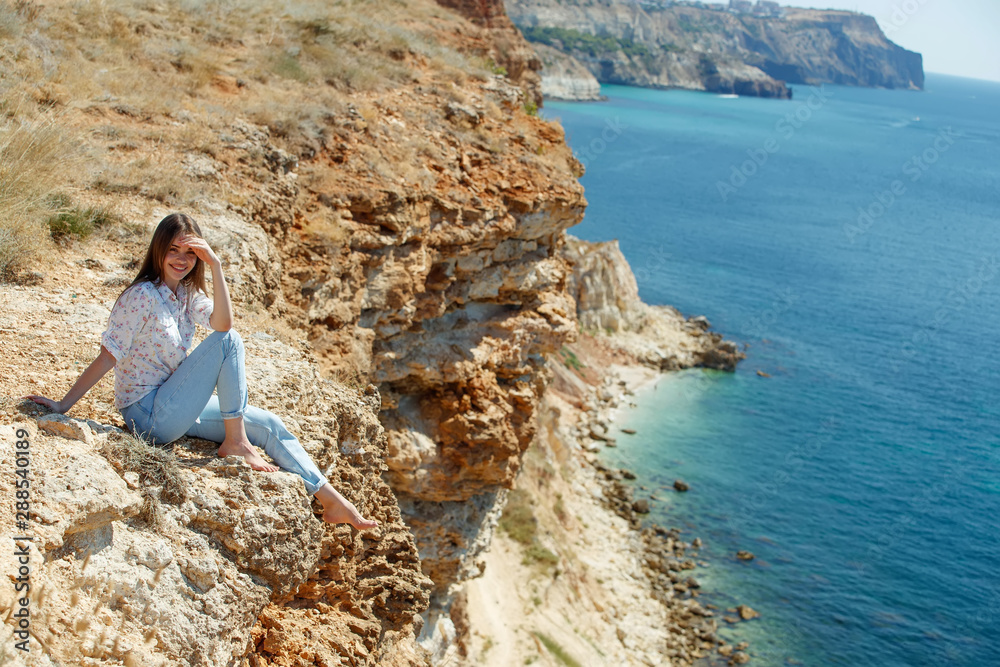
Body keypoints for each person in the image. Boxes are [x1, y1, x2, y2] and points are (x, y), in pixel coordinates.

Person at [26, 213, 377, 530]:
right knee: (228, 342)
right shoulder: (141, 296)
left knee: (269, 423)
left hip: (175, 404)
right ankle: (236, 442)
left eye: (190, 253)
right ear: (158, 251)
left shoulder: (186, 295)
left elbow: (222, 320)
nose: (182, 260)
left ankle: (332, 500)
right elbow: (108, 357)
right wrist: (62, 406)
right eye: (174, 250)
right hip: (147, 414)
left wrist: (217, 265)